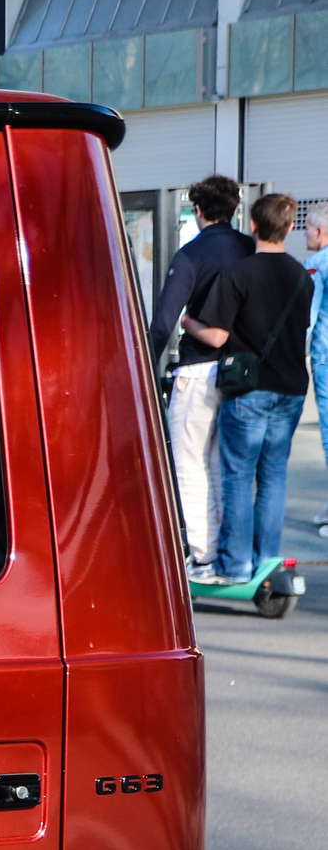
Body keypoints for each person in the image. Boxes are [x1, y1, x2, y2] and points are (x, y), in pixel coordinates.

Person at [182, 192, 312, 585]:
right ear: (290, 227)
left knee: (238, 476)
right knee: (273, 476)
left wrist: (189, 323)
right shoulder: (301, 276)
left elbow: (218, 336)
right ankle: (266, 562)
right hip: (291, 390)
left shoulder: (239, 273)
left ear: (252, 225)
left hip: (249, 389)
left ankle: (234, 565)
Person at [148, 175, 255, 575]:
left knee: (189, 463)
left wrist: (145, 367)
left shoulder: (191, 254)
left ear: (197, 211)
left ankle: (203, 555)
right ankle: (232, 554)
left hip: (196, 373)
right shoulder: (250, 249)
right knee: (226, 467)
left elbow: (163, 323)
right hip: (241, 374)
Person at [304, 214, 328, 531]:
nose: (304, 232)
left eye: (307, 226)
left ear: (321, 231)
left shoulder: (316, 263)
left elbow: (307, 317)